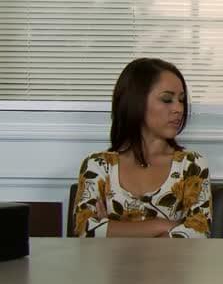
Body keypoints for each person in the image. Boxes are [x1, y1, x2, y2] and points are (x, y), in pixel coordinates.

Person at [73, 57, 212, 238]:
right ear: (135, 101)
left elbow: (197, 233)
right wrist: (163, 226)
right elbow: (84, 230)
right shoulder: (97, 165)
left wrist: (111, 228)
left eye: (181, 100)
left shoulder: (192, 165)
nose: (178, 108)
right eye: (167, 99)